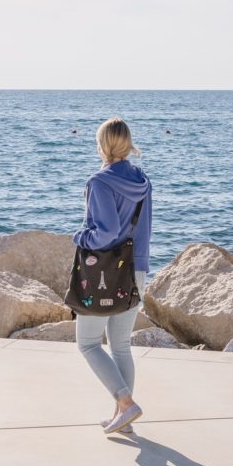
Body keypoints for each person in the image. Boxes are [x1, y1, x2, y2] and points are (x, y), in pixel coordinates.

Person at [73, 117, 152, 435]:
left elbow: (105, 233)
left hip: (103, 271)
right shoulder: (143, 181)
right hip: (137, 268)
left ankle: (125, 403)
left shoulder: (100, 182)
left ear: (103, 145)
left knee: (89, 344)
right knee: (120, 346)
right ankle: (123, 419)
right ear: (128, 144)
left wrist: (80, 237)